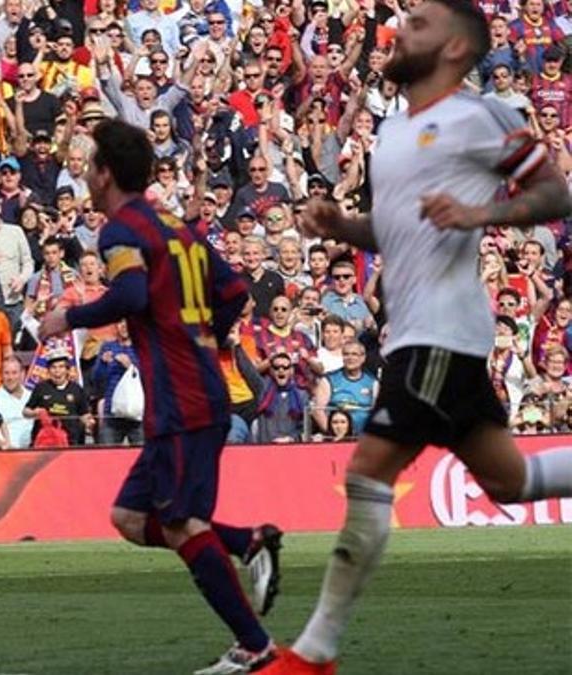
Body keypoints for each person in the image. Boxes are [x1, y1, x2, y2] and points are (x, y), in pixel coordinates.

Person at [268, 2, 572, 672]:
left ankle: (313, 653)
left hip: (439, 334)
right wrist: (340, 225)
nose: (400, 30)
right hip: (420, 334)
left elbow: (555, 193)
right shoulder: (393, 134)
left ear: (458, 48)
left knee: (368, 466)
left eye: (421, 25)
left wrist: (480, 213)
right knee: (509, 480)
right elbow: (393, 231)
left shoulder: (479, 116)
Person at [38, 119, 281, 674]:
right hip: (193, 390)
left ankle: (255, 645)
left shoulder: (122, 231)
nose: (86, 172)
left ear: (103, 172)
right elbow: (235, 290)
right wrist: (205, 338)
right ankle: (248, 542)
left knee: (179, 524)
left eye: (91, 162)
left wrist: (67, 318)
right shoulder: (176, 227)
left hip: (183, 398)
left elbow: (129, 293)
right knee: (129, 517)